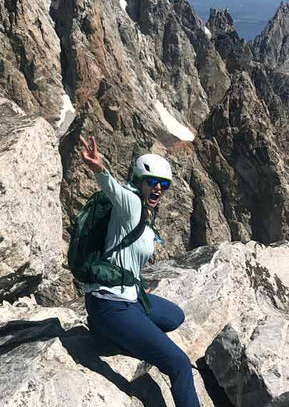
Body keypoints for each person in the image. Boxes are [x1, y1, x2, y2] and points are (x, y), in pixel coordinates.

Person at [79, 135, 200, 407]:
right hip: (111, 304)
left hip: (129, 296)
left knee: (174, 316)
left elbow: (126, 255)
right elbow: (114, 190)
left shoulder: (145, 212)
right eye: (152, 182)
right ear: (138, 181)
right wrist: (99, 169)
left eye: (164, 184)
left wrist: (135, 281)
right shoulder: (131, 203)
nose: (158, 188)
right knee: (179, 363)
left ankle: (108, 338)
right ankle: (108, 329)